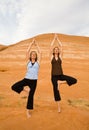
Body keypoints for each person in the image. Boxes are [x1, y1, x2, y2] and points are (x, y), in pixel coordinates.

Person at [11, 39, 41, 118]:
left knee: (31, 96)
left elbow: (40, 53)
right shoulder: (27, 62)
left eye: (34, 54)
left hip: (34, 81)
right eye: (32, 54)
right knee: (14, 86)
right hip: (26, 79)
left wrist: (36, 44)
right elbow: (27, 52)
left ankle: (28, 112)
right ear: (30, 56)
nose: (33, 55)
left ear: (36, 56)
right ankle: (25, 90)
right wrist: (31, 44)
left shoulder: (38, 62)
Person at [50, 34, 77, 113]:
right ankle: (59, 107)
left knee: (74, 80)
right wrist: (53, 39)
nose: (56, 50)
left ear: (58, 51)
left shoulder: (61, 57)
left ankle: (60, 82)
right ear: (53, 51)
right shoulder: (51, 58)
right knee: (56, 91)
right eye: (55, 50)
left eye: (57, 50)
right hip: (54, 77)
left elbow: (62, 47)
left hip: (61, 75)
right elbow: (50, 47)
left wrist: (57, 39)